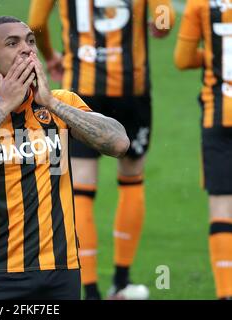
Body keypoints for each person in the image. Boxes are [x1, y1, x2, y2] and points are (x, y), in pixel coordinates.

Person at [0, 15, 129, 300]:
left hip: (61, 272)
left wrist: (51, 103)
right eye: (13, 43)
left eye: (30, 41)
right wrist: (4, 106)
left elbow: (118, 143)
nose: (27, 49)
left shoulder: (61, 103)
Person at [29, 0, 175, 299]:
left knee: (81, 187)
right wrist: (161, 27)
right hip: (130, 91)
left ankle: (90, 289)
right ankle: (121, 281)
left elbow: (35, 23)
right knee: (132, 176)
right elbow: (164, 20)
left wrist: (50, 55)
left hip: (81, 91)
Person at [174, 0, 232, 300]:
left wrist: (213, 55)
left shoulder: (200, 5)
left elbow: (182, 59)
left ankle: (225, 292)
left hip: (219, 116)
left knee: (222, 207)